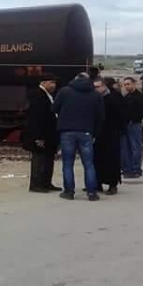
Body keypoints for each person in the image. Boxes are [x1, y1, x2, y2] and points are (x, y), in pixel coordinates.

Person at [52, 72, 105, 201]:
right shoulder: (96, 94)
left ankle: (69, 192)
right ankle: (92, 193)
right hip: (86, 132)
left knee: (68, 163)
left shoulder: (65, 91)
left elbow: (54, 108)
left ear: (74, 79)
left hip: (67, 131)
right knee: (88, 164)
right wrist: (95, 133)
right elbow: (101, 117)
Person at [21, 73, 60, 193]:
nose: (54, 85)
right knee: (39, 160)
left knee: (48, 158)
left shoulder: (47, 95)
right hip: (40, 134)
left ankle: (46, 182)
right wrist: (38, 137)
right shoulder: (38, 96)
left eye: (54, 83)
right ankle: (36, 184)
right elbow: (37, 118)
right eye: (51, 82)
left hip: (48, 134)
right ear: (43, 83)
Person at [93, 77, 126, 195]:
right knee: (97, 159)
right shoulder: (95, 99)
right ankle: (97, 183)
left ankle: (113, 184)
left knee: (112, 159)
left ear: (103, 86)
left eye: (98, 86)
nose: (96, 89)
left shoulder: (112, 98)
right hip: (98, 134)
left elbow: (121, 115)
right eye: (94, 87)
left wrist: (119, 130)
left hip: (111, 133)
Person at [121, 76, 143, 179]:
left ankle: (136, 169)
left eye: (128, 84)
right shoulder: (126, 97)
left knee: (135, 147)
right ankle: (128, 169)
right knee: (126, 148)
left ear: (134, 84)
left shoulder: (140, 97)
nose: (126, 86)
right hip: (126, 124)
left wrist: (134, 119)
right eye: (125, 84)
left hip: (135, 124)